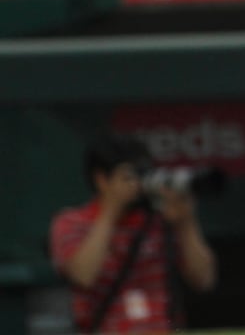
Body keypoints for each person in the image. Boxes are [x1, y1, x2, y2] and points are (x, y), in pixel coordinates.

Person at [49, 132, 217, 334]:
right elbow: (83, 275)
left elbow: (204, 279)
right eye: (129, 176)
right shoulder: (72, 222)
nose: (137, 183)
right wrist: (110, 212)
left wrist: (186, 223)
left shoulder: (160, 220)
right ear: (102, 180)